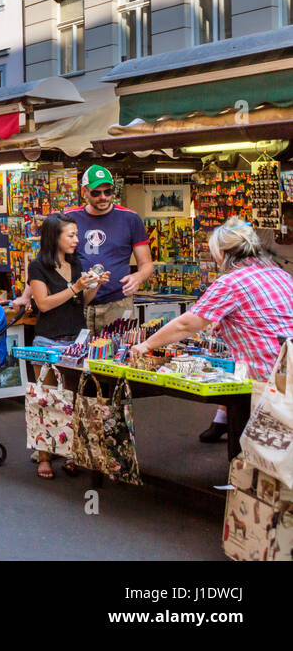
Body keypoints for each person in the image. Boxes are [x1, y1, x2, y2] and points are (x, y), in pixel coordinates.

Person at [132, 217, 293, 443]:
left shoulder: (231, 282)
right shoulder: (280, 274)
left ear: (224, 252)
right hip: (287, 369)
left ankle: (243, 474)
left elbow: (186, 324)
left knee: (260, 443)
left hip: (264, 374)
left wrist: (146, 344)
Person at [23, 212, 110, 479]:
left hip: (75, 339)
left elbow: (82, 302)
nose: (76, 239)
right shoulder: (38, 267)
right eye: (70, 235)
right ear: (55, 237)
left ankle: (71, 450)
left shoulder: (77, 263)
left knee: (72, 398)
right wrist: (75, 287)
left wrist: (92, 285)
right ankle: (45, 455)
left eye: (76, 234)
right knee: (46, 398)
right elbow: (44, 304)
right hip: (48, 339)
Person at [64, 165, 152, 333]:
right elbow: (50, 257)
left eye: (108, 192)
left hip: (117, 302)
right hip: (77, 301)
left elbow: (147, 264)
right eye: (96, 193)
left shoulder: (130, 218)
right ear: (84, 192)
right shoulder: (69, 217)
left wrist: (138, 277)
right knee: (75, 356)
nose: (103, 197)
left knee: (118, 355)